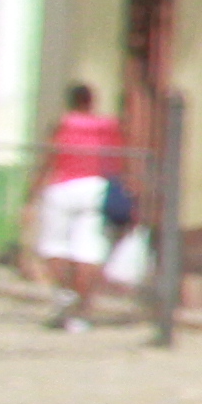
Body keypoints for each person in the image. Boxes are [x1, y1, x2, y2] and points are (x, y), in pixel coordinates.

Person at [33, 83, 131, 330]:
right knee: (88, 249)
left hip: (62, 185)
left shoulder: (62, 124)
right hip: (94, 187)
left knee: (54, 246)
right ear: (91, 101)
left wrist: (32, 193)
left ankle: (65, 294)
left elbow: (48, 158)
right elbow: (119, 160)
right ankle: (81, 310)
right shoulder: (107, 126)